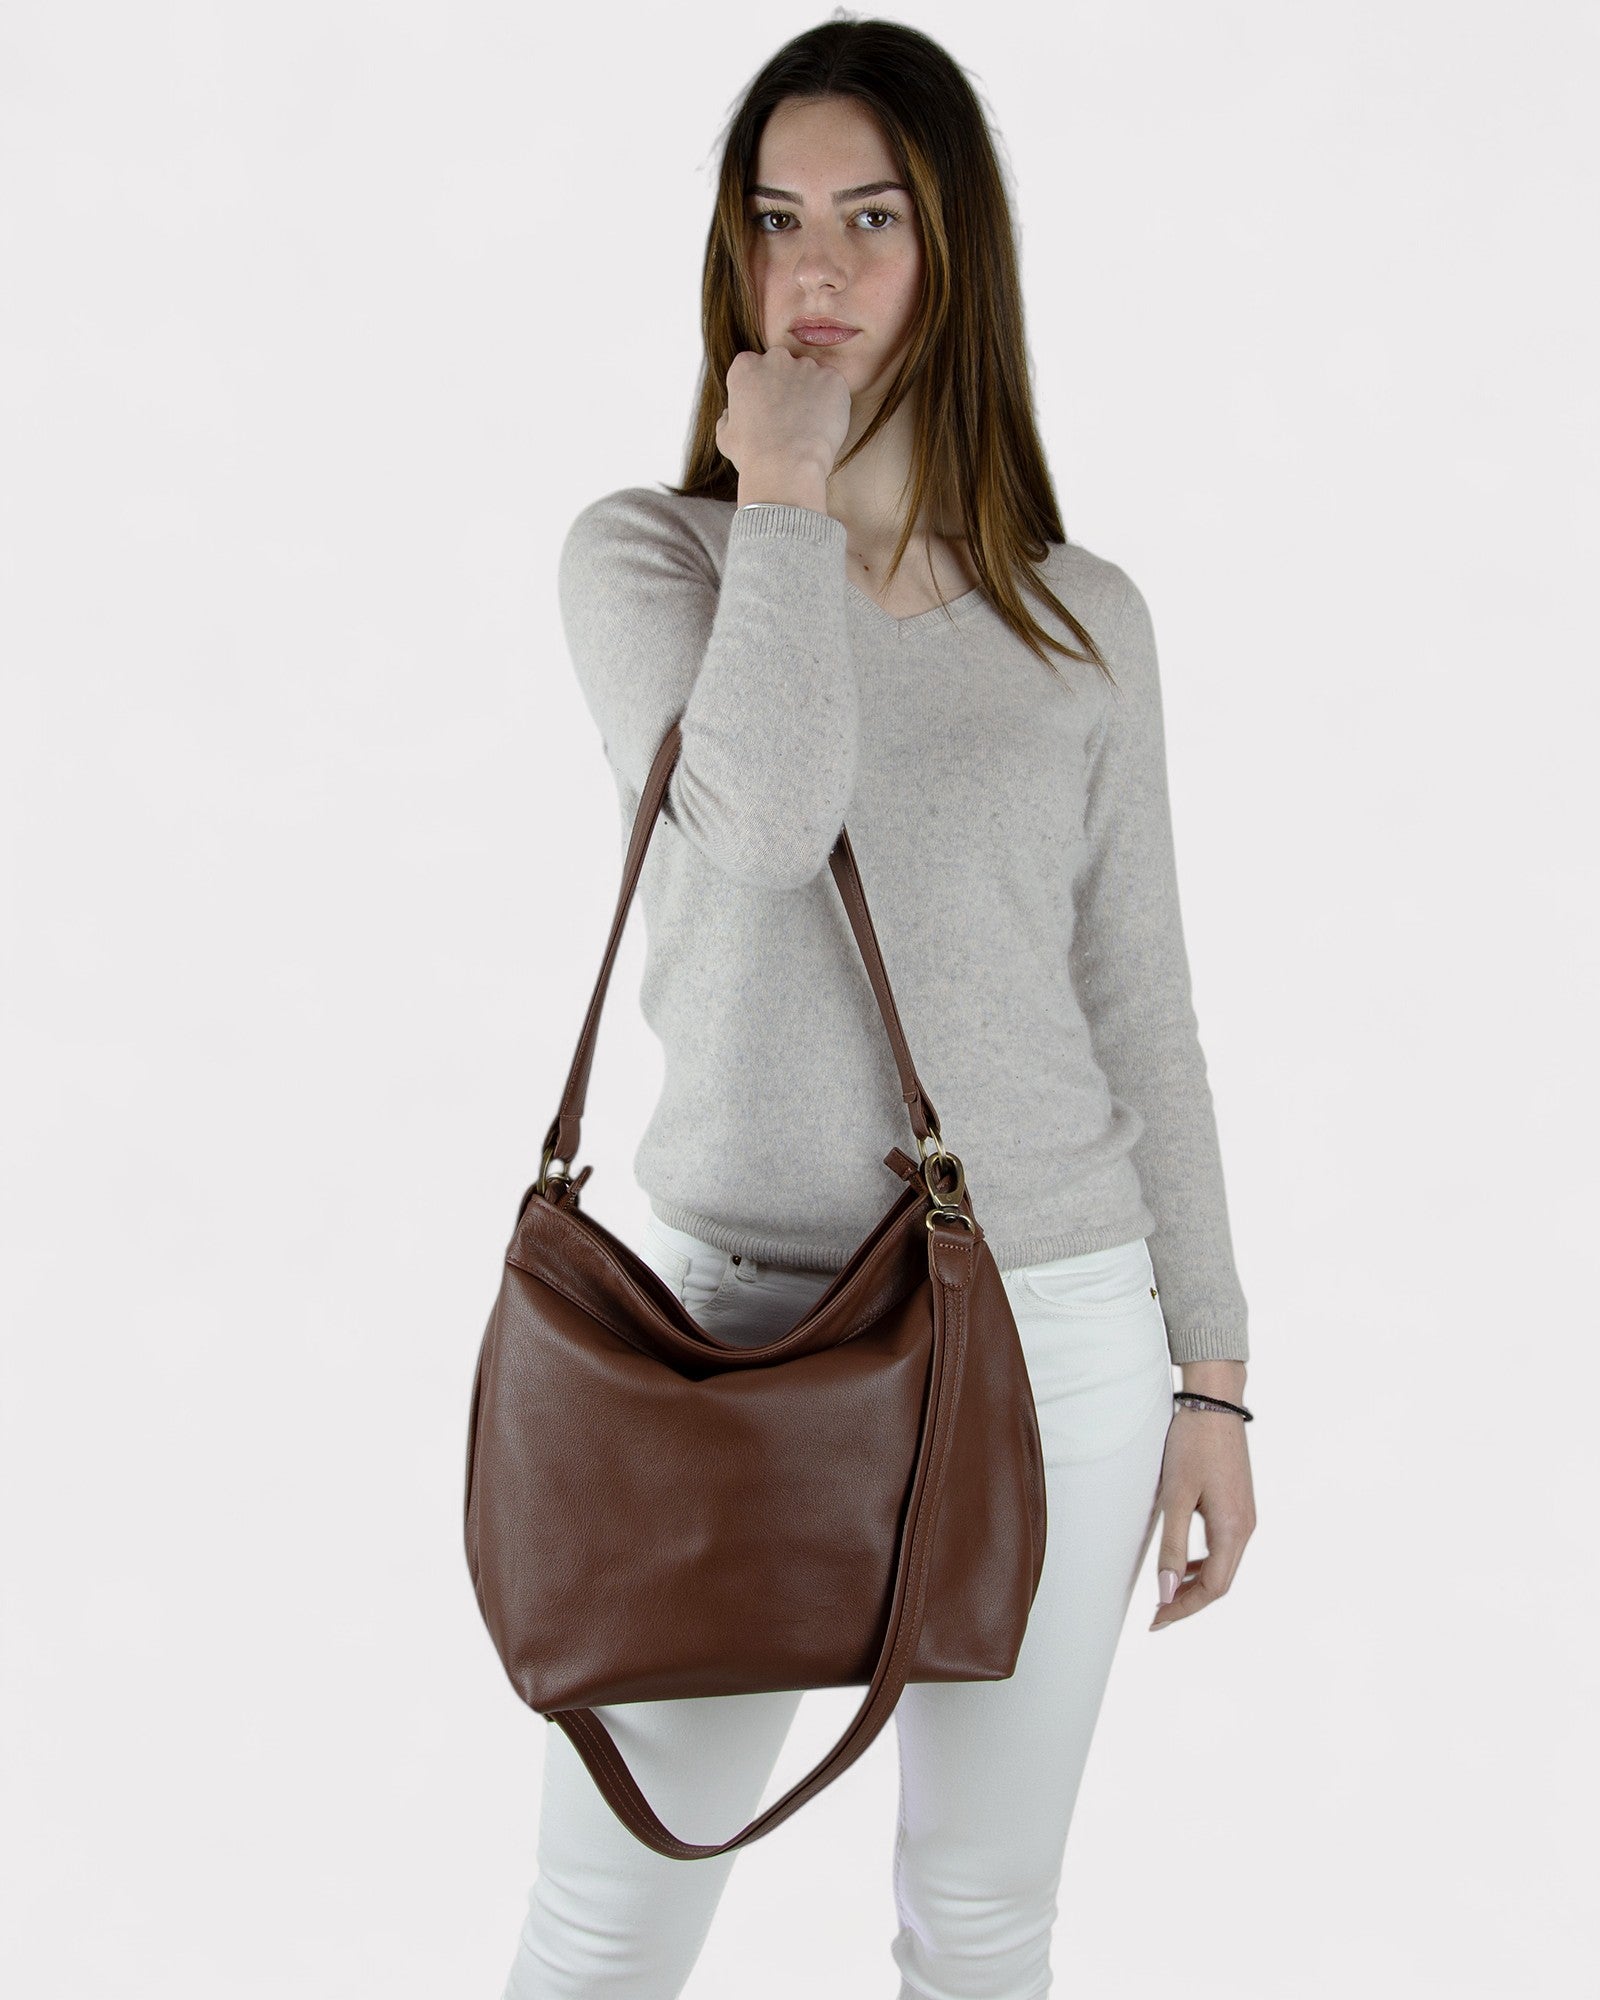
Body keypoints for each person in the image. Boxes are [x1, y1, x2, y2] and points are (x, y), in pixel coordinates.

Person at [500, 17, 1256, 1998]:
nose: (813, 272)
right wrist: (783, 500)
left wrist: (1213, 1371)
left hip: (1065, 1323)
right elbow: (759, 824)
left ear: (956, 260)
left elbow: (1138, 1001)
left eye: (866, 220)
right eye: (773, 222)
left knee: (982, 1919)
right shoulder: (650, 556)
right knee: (604, 1925)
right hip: (739, 1330)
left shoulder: (1082, 616)